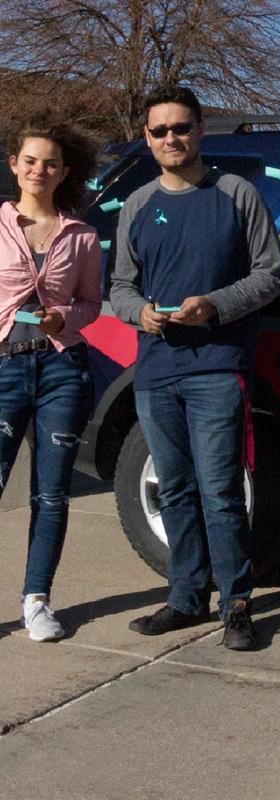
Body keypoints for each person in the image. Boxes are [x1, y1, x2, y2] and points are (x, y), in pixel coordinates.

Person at [110, 85, 280, 651]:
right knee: (176, 490)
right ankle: (185, 599)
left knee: (221, 490)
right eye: (159, 131)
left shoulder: (236, 195)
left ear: (200, 130)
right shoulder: (136, 205)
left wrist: (216, 304)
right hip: (156, 370)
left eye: (181, 127)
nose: (171, 139)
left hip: (217, 367)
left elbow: (269, 275)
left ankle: (237, 605)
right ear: (147, 138)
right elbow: (120, 287)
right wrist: (140, 314)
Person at [0, 118, 101, 641]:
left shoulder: (80, 235)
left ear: (65, 172)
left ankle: (37, 601)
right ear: (14, 164)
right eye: (31, 160)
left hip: (62, 369)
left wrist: (67, 318)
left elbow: (91, 302)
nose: (40, 170)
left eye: (52, 163)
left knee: (52, 493)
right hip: (4, 368)